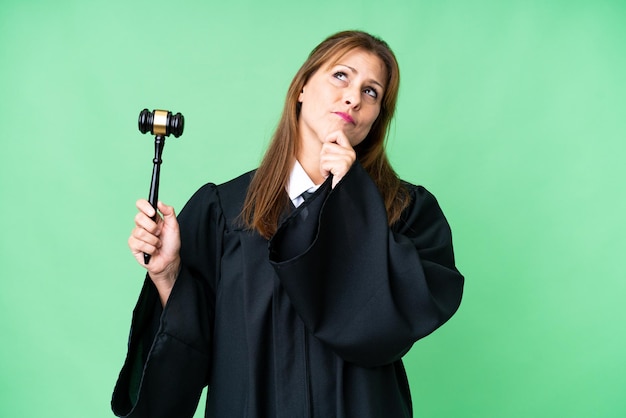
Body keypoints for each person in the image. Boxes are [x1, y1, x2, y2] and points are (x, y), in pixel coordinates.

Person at [112, 30, 464, 418]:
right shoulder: (224, 210)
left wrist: (353, 200)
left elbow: (392, 322)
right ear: (302, 87)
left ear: (376, 118)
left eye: (371, 92)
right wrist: (167, 275)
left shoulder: (404, 211)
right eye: (341, 76)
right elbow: (194, 350)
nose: (352, 97)